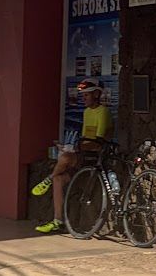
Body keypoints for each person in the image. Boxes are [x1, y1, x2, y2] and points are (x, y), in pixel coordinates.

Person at [33, 80, 110, 234]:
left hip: (95, 157)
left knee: (65, 158)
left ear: (96, 94)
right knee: (58, 179)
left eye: (87, 95)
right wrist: (71, 147)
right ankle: (57, 220)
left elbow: (99, 142)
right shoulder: (86, 112)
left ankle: (47, 178)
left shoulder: (103, 112)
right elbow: (85, 138)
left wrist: (74, 148)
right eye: (83, 95)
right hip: (82, 155)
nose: (84, 99)